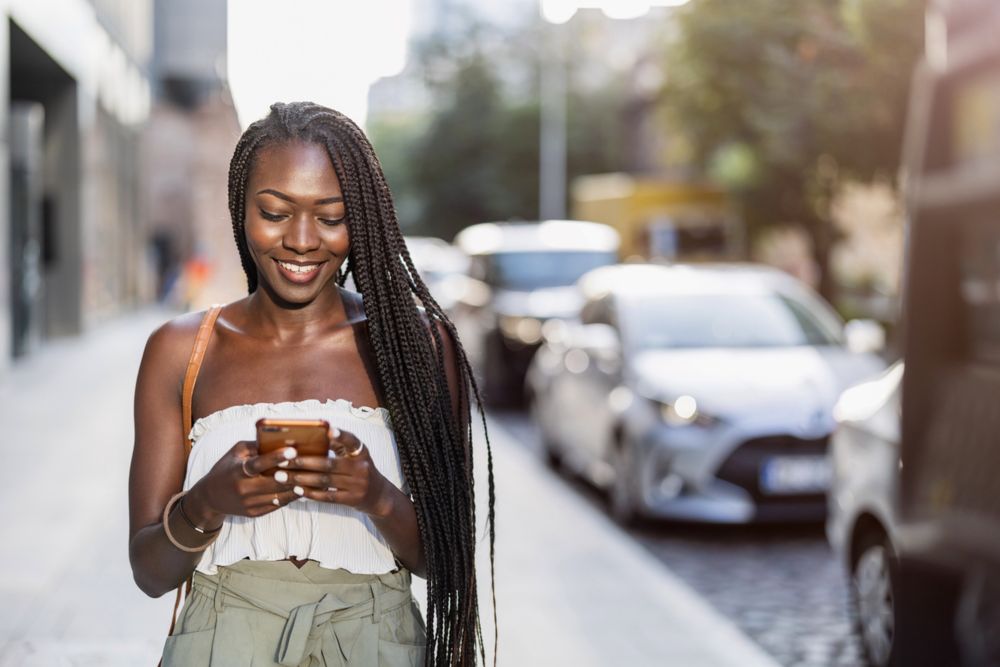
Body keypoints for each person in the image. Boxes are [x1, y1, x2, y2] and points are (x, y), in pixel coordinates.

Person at [128, 102, 495, 667]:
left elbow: (449, 561)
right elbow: (149, 573)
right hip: (222, 643)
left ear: (363, 219)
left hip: (376, 643)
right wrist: (207, 502)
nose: (302, 240)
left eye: (331, 216)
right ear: (240, 207)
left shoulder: (416, 348)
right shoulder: (181, 350)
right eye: (275, 211)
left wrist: (376, 495)